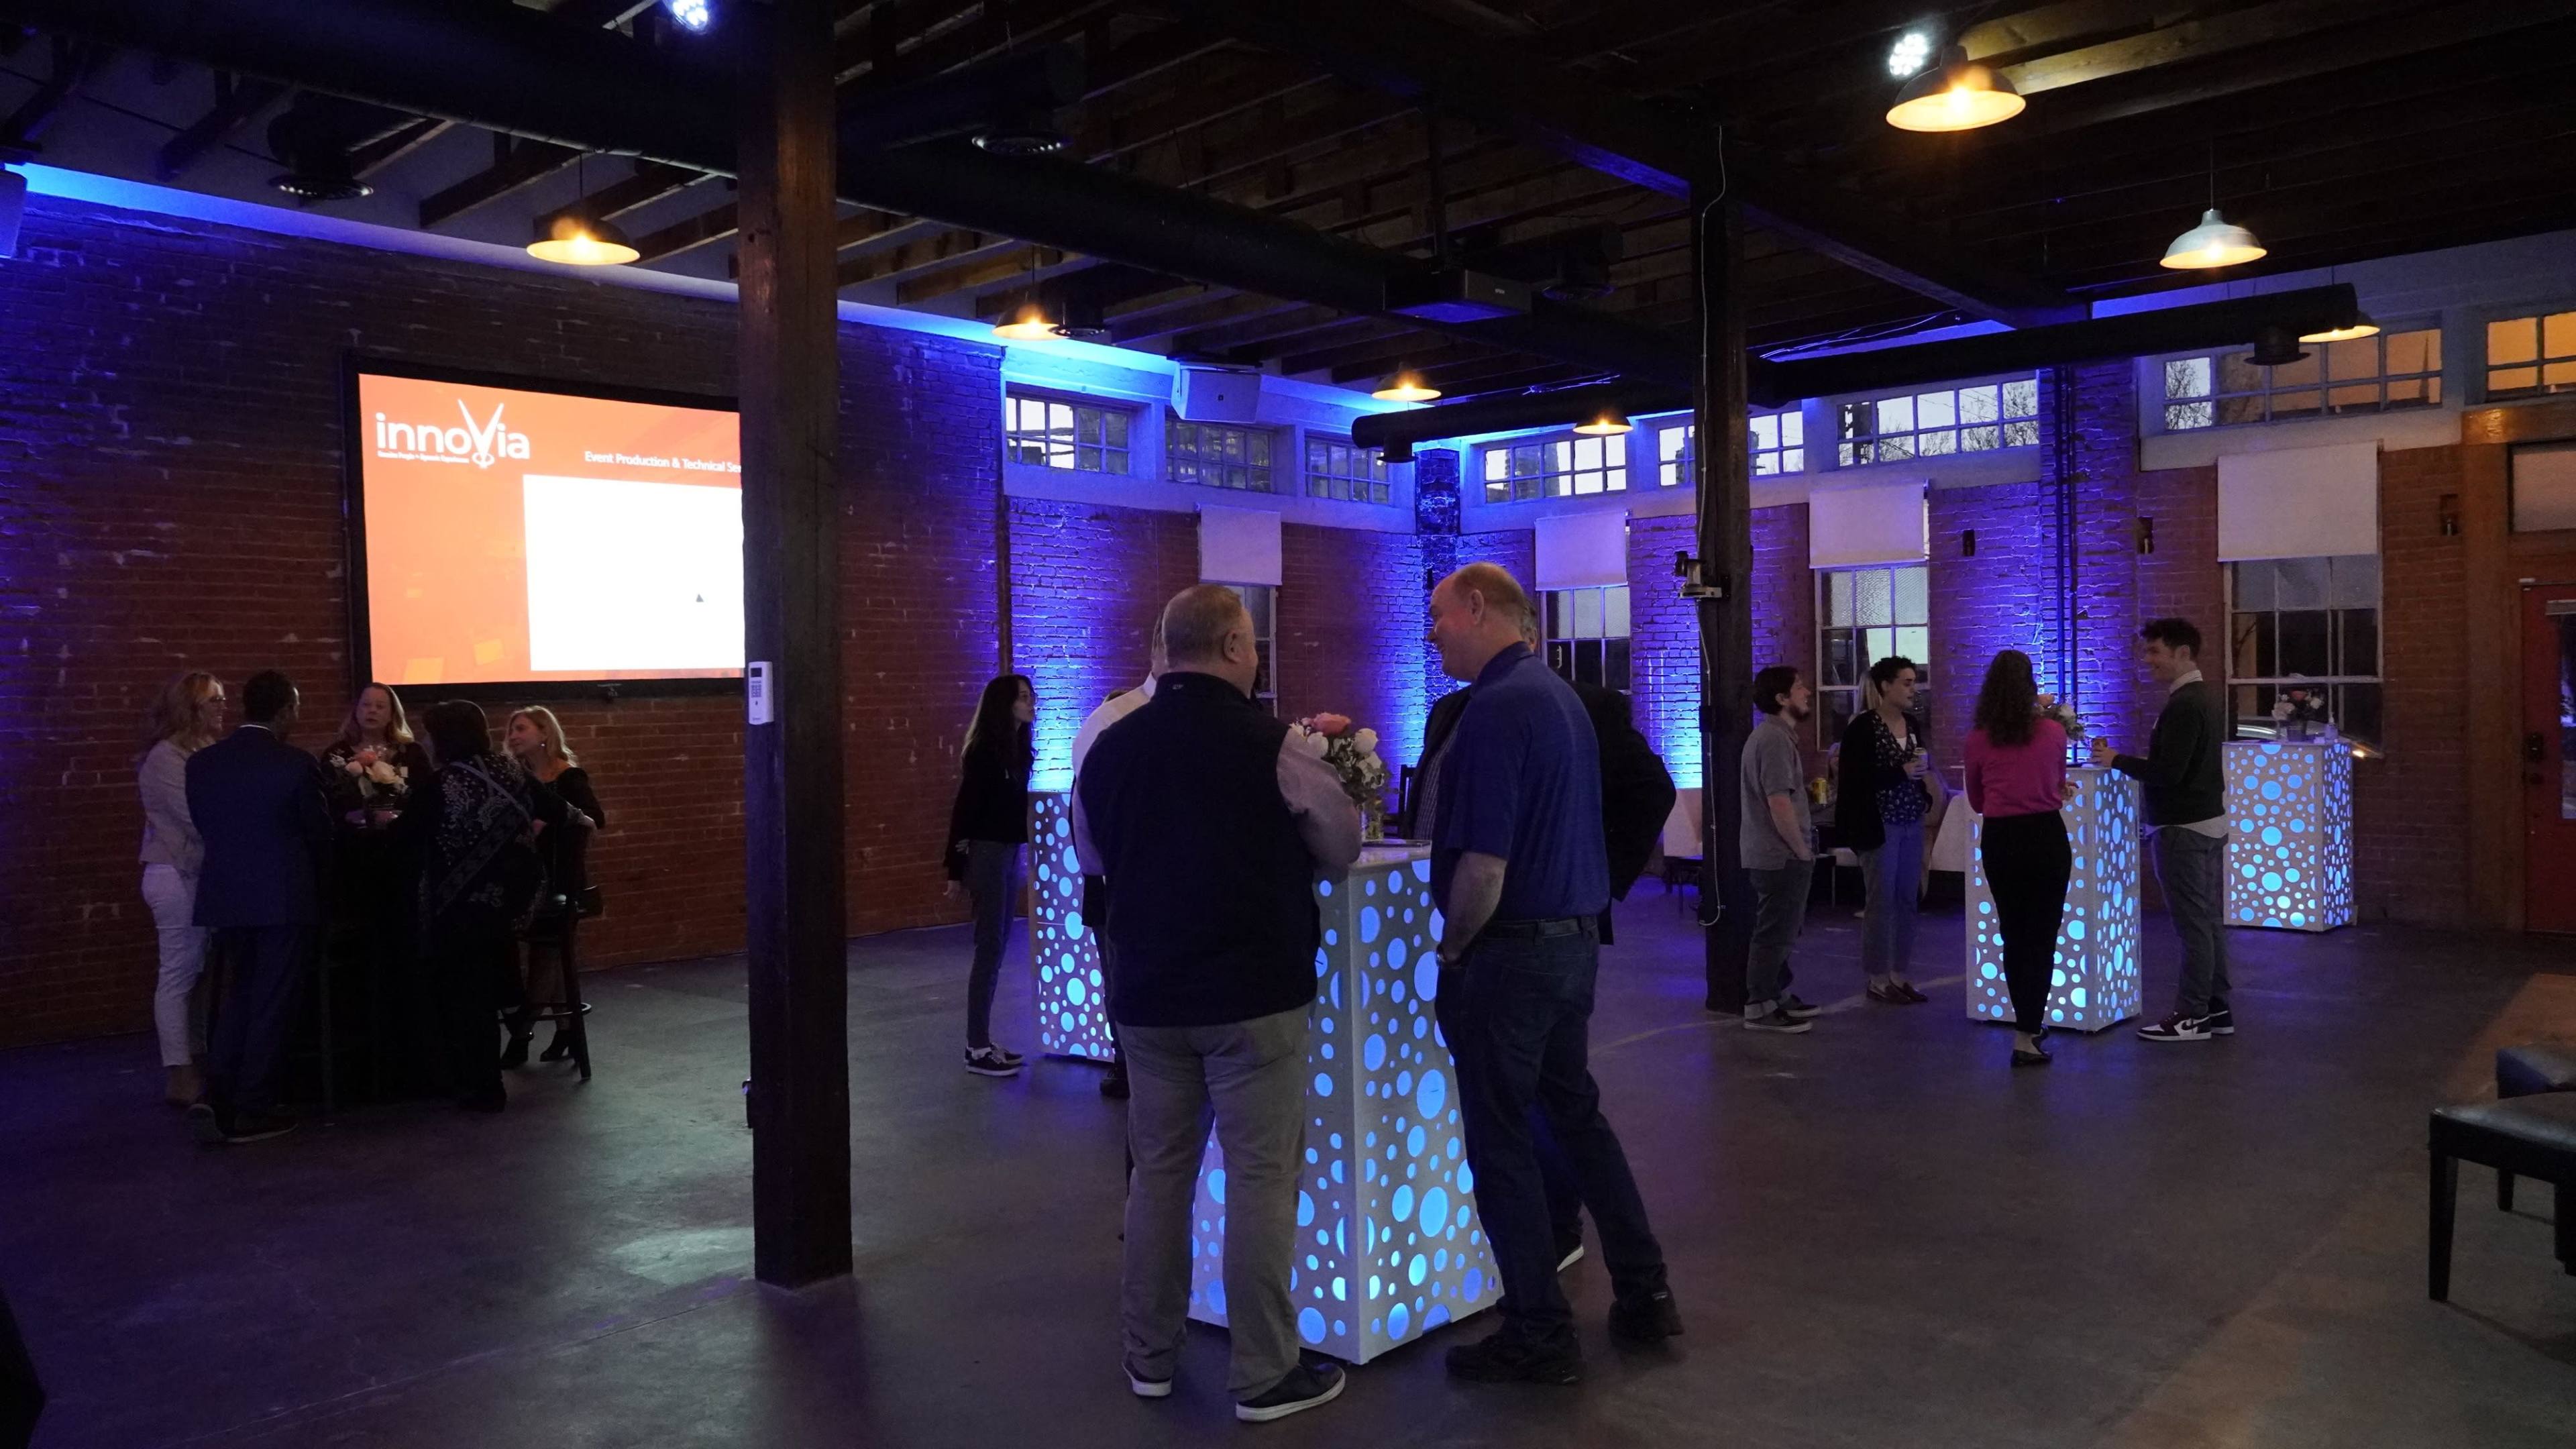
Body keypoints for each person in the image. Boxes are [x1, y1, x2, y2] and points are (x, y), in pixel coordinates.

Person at [1075, 584, 1360, 1424]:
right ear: (1237, 646)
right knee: (1261, 1178)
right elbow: (1343, 844)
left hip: (1146, 997)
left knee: (1158, 1176)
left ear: (1168, 648)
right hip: (1254, 996)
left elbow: (1092, 857)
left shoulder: (1109, 746)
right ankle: (1265, 1372)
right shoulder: (1275, 746)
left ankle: (1148, 1358)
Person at [1426, 561, 1679, 1385]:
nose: (1432, 633)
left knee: (1500, 1141)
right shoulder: (1560, 698)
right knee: (1576, 1118)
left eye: (1439, 615)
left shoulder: (1496, 708)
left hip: (1510, 954)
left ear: (1478, 608)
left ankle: (1538, 1328)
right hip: (1569, 945)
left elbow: (1484, 866)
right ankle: (1644, 1291)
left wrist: (1453, 947)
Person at [183, 669, 331, 1145]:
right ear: (286, 710)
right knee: (271, 1004)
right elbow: (320, 835)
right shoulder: (295, 764)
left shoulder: (202, 764)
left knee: (239, 997)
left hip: (227, 897)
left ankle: (219, 1093)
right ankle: (251, 1108)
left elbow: (205, 826)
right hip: (282, 898)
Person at [401, 700, 564, 1112]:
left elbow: (404, 838)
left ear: (445, 738)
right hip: (516, 901)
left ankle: (478, 1084)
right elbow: (558, 811)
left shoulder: (444, 783)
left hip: (465, 909)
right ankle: (503, 1034)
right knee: (486, 975)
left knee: (464, 988)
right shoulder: (511, 770)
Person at [2092, 618, 2235, 1043]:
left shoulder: (2185, 705)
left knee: (2194, 927)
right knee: (2207, 921)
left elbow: (2169, 774)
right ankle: (2216, 1009)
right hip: (2205, 823)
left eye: (2155, 651)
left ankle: (2192, 1016)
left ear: (2183, 653)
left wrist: (2116, 760)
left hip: (2182, 829)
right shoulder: (2202, 699)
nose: (2147, 660)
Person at [1966, 651, 2074, 1067]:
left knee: (2013, 934)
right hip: (2045, 836)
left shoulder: (1978, 739)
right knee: (2043, 936)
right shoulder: (2053, 733)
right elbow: (2058, 783)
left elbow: (1977, 801)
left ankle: (2024, 1029)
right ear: (2030, 686)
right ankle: (2029, 1029)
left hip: (2002, 839)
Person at [1072, 624, 1166, 1102]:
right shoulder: (1109, 729)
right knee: (1120, 977)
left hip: (1118, 885)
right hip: (1115, 888)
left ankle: (1132, 1063)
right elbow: (1086, 828)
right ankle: (1126, 1061)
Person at [136, 670, 225, 1108]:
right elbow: (194, 817)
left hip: (195, 872)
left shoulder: (203, 750)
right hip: (173, 873)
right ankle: (178, 1071)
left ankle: (198, 1057)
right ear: (190, 709)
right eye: (214, 701)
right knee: (178, 972)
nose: (222, 708)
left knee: (199, 970)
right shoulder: (165, 757)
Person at [1835, 656, 1943, 1004]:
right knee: (1881, 900)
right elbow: (1855, 779)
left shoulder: (1911, 724)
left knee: (1908, 897)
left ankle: (1900, 973)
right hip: (1879, 822)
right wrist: (1901, 772)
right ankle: (1877, 977)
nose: (1913, 689)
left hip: (1910, 817)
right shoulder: (1863, 727)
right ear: (1886, 686)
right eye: (1906, 683)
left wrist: (1923, 791)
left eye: (1914, 682)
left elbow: (1918, 767)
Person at [501, 706, 603, 1068]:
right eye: (511, 730)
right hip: (525, 879)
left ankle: (521, 1033)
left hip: (560, 882)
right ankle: (567, 1030)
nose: (513, 736)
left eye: (521, 729)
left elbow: (595, 819)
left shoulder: (568, 777)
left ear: (544, 734)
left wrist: (551, 821)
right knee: (553, 952)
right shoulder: (516, 777)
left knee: (546, 952)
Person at [945, 674, 1034, 1078]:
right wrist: (955, 867)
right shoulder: (984, 753)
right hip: (987, 853)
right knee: (989, 948)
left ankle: (981, 1041)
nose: (1031, 703)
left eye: (1031, 696)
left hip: (1008, 852)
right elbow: (964, 811)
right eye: (1023, 697)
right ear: (1004, 705)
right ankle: (976, 1047)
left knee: (996, 947)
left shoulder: (1017, 751)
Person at [1739, 665, 1823, 1034]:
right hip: (1780, 856)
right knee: (1775, 934)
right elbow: (1778, 802)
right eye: (1799, 687)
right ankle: (1759, 1006)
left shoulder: (1775, 737)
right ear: (1781, 698)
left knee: (1782, 931)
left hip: (1775, 854)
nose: (1807, 692)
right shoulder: (1773, 740)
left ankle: (1776, 995)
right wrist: (1801, 849)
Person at [317, 682, 431, 828]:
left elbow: (428, 797)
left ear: (392, 714)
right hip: (352, 835)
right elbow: (323, 801)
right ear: (356, 711)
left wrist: (402, 815)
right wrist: (346, 815)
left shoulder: (412, 752)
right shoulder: (336, 754)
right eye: (366, 705)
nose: (372, 711)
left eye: (380, 706)